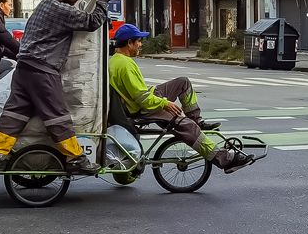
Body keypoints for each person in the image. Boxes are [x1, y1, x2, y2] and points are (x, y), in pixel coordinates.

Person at [0, 0, 111, 175]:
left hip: (24, 68)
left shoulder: (46, 4)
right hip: (42, 69)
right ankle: (75, 158)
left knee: (15, 113)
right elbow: (93, 22)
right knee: (57, 115)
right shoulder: (61, 10)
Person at [108, 23, 254, 173]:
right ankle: (225, 160)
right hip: (144, 108)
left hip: (147, 98)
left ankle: (197, 121)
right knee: (186, 126)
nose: (140, 45)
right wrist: (165, 103)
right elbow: (142, 99)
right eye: (138, 41)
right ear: (129, 43)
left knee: (183, 82)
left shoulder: (115, 60)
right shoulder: (125, 65)